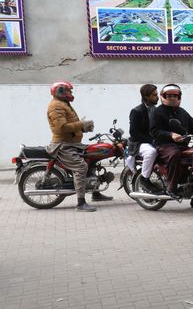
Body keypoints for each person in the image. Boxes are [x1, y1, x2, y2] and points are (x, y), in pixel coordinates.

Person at [46, 81, 112, 212]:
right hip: (63, 145)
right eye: (68, 91)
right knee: (81, 167)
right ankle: (80, 203)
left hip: (73, 143)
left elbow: (71, 125)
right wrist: (81, 124)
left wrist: (84, 128)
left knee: (92, 157)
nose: (71, 93)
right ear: (60, 91)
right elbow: (61, 127)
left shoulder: (64, 104)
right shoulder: (56, 106)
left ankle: (95, 192)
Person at [149, 84, 193, 198]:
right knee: (175, 154)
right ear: (164, 97)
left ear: (179, 97)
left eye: (175, 96)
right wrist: (171, 134)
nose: (172, 98)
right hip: (164, 145)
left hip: (183, 145)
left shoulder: (182, 112)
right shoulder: (158, 112)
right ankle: (171, 187)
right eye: (169, 96)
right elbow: (154, 131)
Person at [126, 84, 160, 192]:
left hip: (153, 141)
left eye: (157, 94)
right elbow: (134, 133)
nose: (157, 97)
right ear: (146, 97)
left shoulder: (156, 110)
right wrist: (152, 140)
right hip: (139, 143)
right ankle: (144, 180)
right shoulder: (136, 111)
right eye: (154, 95)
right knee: (151, 152)